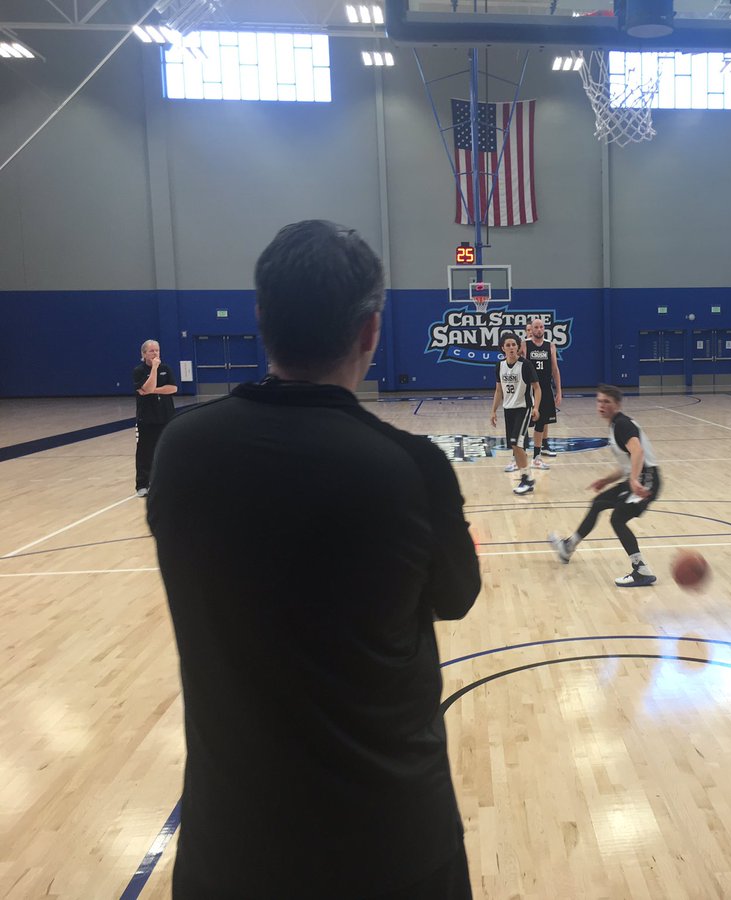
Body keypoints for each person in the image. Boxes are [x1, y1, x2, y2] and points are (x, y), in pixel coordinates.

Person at [147, 221, 481, 899]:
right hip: (392, 846)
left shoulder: (180, 452)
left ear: (262, 317)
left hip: (230, 850)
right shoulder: (411, 468)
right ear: (370, 332)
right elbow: (457, 596)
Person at [548, 385, 661, 587]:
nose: (601, 405)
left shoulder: (622, 425)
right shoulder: (615, 425)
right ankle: (568, 547)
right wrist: (606, 481)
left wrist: (634, 480)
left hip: (647, 480)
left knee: (618, 518)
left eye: (606, 402)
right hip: (639, 478)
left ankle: (641, 570)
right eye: (599, 401)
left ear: (617, 405)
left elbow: (638, 453)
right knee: (599, 502)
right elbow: (627, 465)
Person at [490, 332, 541, 495]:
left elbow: (537, 388)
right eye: (508, 345)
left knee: (517, 443)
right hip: (508, 409)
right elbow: (499, 390)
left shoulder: (525, 365)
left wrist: (536, 407)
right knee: (515, 445)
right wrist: (493, 411)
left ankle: (526, 478)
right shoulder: (500, 365)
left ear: (518, 347)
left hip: (523, 408)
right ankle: (527, 477)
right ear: (502, 348)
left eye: (514, 344)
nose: (511, 348)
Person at [132, 339, 177, 497]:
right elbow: (146, 387)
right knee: (145, 451)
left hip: (166, 416)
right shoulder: (139, 371)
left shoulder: (167, 368)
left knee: (167, 449)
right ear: (144, 354)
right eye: (151, 351)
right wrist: (154, 369)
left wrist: (152, 390)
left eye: (157, 350)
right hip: (147, 418)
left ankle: (167, 481)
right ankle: (142, 484)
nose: (155, 353)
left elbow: (172, 388)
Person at [523, 317, 562, 470]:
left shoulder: (550, 345)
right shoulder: (524, 345)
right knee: (524, 423)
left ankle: (537, 456)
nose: (539, 329)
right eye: (536, 327)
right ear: (530, 329)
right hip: (529, 388)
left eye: (541, 327)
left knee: (541, 422)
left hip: (545, 389)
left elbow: (555, 369)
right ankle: (519, 456)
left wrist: (558, 390)